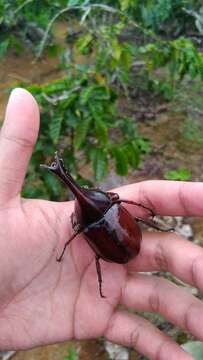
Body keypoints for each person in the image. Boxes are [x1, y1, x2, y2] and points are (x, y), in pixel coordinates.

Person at [0, 88, 202, 360]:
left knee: (128, 224)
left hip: (118, 247)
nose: (78, 191)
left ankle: (158, 231)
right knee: (136, 217)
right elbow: (132, 209)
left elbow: (82, 229)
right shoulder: (108, 205)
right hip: (123, 244)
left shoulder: (86, 221)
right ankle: (161, 229)